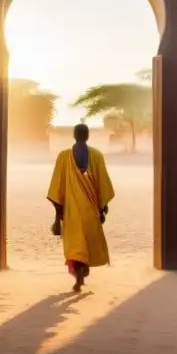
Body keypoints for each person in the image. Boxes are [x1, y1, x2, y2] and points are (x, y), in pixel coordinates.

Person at [47, 122, 115, 291]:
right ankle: (81, 275)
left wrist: (57, 218)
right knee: (86, 243)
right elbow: (103, 184)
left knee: (76, 245)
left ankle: (79, 278)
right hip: (91, 211)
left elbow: (57, 189)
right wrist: (102, 208)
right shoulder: (97, 156)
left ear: (74, 136)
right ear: (88, 136)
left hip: (72, 212)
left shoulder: (63, 157)